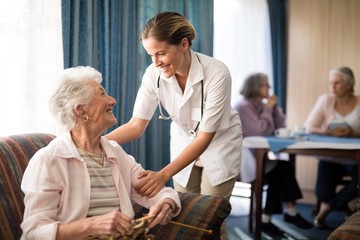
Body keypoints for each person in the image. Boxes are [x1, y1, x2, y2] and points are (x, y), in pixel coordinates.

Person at [20, 66, 181, 240]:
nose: (112, 100)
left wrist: (167, 203)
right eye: (102, 94)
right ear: (80, 109)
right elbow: (34, 233)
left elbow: (160, 192)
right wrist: (91, 225)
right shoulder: (49, 160)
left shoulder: (115, 152)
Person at [106, 12, 242, 202]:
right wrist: (94, 142)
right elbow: (136, 125)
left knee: (210, 216)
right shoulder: (153, 74)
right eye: (151, 55)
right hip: (183, 143)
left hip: (218, 145)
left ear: (183, 44)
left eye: (161, 53)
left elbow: (204, 137)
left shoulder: (217, 73)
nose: (156, 62)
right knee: (185, 210)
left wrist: (163, 175)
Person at [234, 73, 312, 236]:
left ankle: (269, 218)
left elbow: (279, 127)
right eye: (265, 85)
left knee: (281, 169)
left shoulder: (260, 105)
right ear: (256, 86)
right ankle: (285, 214)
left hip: (258, 158)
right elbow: (258, 131)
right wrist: (268, 109)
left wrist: (275, 109)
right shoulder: (244, 106)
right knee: (281, 169)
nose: (269, 88)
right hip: (243, 162)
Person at [305, 66, 360, 229]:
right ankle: (346, 209)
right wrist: (328, 132)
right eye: (331, 83)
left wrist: (354, 133)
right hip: (331, 158)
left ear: (349, 85)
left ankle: (325, 209)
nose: (332, 87)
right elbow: (309, 126)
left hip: (356, 159)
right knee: (321, 193)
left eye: (337, 83)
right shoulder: (325, 99)